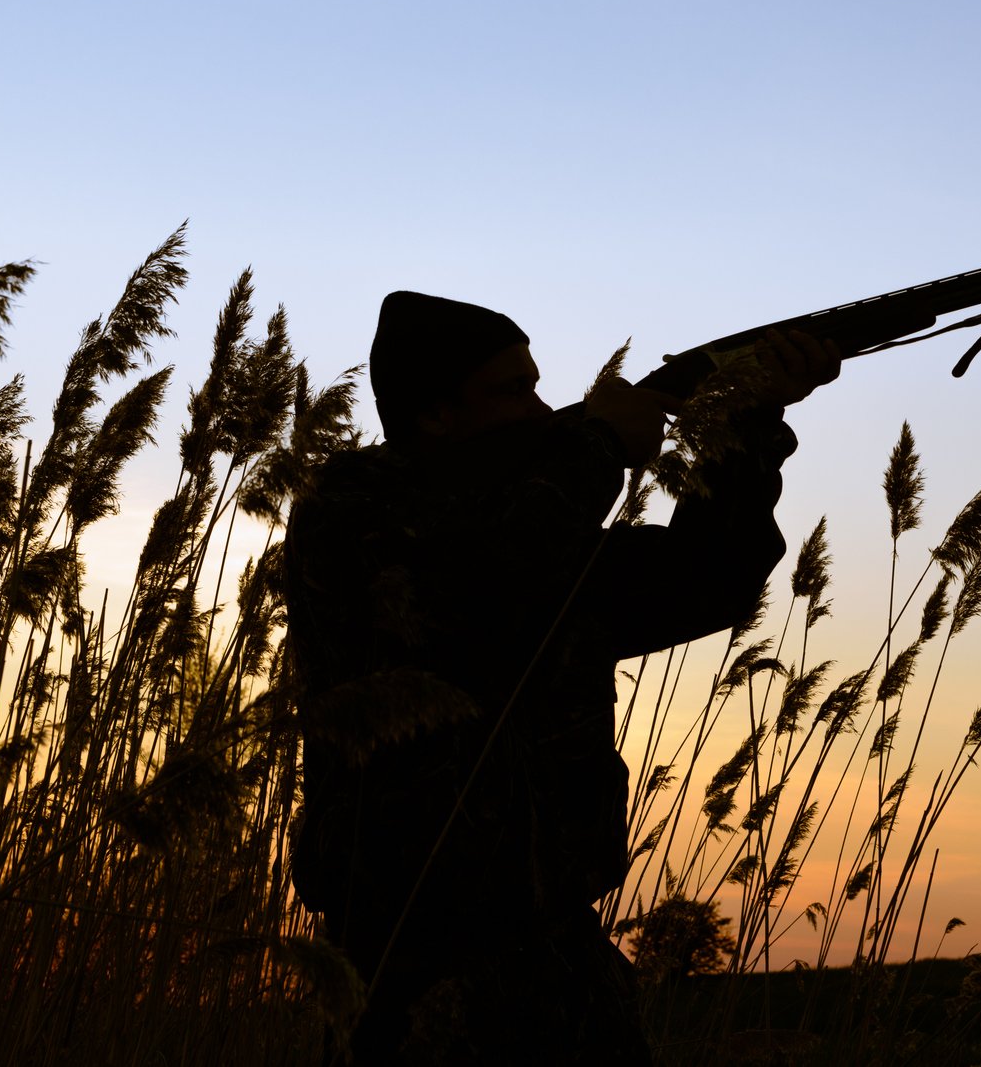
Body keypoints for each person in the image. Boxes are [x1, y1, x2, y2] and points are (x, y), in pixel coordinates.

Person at [283, 291, 837, 1064]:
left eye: (537, 384)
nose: (543, 410)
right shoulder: (353, 518)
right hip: (409, 949)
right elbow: (495, 573)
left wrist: (744, 426)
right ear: (434, 414)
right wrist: (602, 442)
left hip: (551, 941)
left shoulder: (542, 545)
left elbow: (706, 578)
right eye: (511, 390)